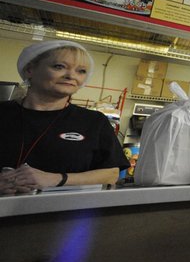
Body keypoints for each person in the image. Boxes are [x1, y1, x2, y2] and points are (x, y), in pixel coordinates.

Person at [0, 40, 129, 195]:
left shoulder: (94, 122)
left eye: (81, 71)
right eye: (59, 66)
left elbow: (111, 174)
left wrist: (56, 179)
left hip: (61, 214)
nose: (71, 76)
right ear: (29, 69)